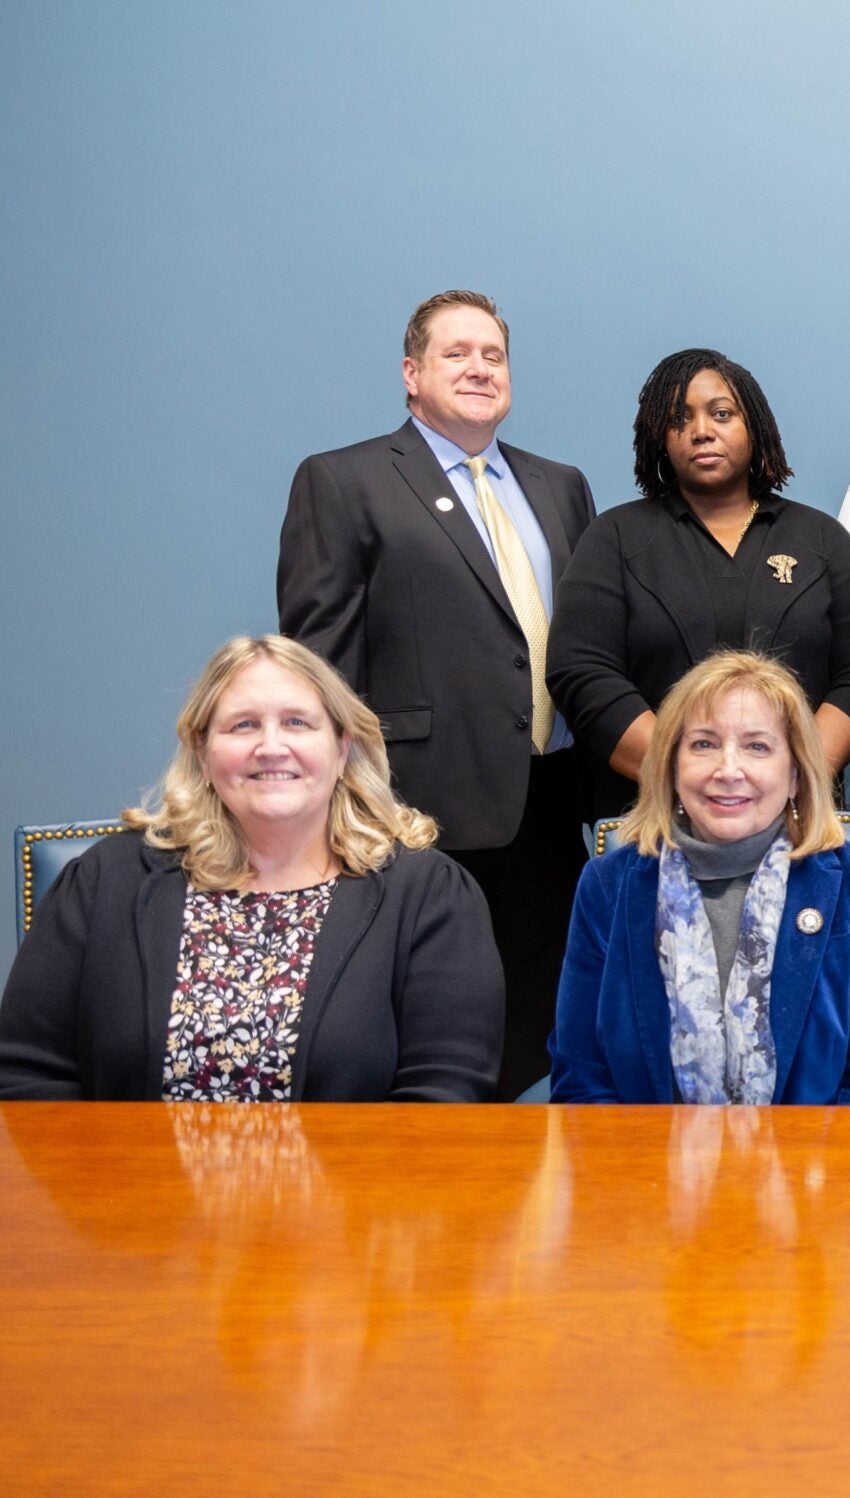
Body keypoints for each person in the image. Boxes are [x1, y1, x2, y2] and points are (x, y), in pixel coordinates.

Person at [278, 289, 598, 1099]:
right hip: (421, 806)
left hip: (552, 801)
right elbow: (320, 663)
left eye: (494, 355)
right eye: (457, 353)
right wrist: (347, 796)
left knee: (541, 1026)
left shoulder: (560, 486)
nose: (480, 368)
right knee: (439, 1034)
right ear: (411, 374)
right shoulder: (344, 480)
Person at [0, 636, 501, 1101]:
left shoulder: (428, 895)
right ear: (202, 752)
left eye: (297, 722)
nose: (271, 746)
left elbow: (443, 1100)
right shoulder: (107, 882)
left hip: (352, 1202)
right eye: (243, 725)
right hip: (130, 1197)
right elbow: (28, 1082)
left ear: (342, 748)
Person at [549, 650, 850, 1106]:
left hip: (816, 1170)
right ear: (671, 766)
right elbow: (582, 1083)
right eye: (703, 744)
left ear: (796, 774)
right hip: (645, 1169)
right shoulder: (607, 886)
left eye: (757, 746)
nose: (728, 770)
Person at [548, 348, 850, 819]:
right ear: (659, 438)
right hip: (653, 817)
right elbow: (581, 673)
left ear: (755, 427)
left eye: (722, 413)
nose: (702, 430)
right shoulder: (615, 538)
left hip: (801, 816)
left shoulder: (821, 539)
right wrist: (685, 776)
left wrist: (794, 776)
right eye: (679, 418)